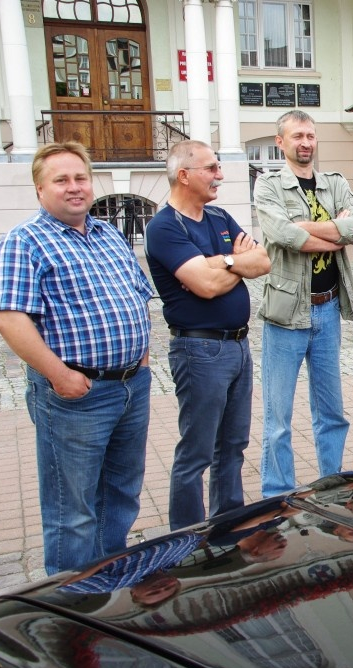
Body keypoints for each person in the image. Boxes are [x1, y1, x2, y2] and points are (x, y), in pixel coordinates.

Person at [0, 142, 154, 574]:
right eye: (61, 180)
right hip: (77, 395)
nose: (74, 188)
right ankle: (70, 608)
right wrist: (59, 376)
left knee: (121, 492)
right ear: (40, 189)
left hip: (132, 386)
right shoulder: (24, 242)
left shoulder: (108, 234)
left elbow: (138, 293)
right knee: (72, 508)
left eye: (80, 178)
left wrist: (143, 356)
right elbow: (8, 318)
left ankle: (107, 580)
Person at [145, 140, 270, 530]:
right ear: (184, 175)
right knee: (197, 452)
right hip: (198, 350)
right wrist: (236, 262)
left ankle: (226, 527)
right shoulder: (164, 227)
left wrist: (223, 262)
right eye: (211, 168)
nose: (220, 174)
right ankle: (186, 539)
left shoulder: (218, 217)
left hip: (238, 346)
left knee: (233, 446)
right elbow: (206, 286)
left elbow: (262, 260)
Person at [254, 110, 353, 496]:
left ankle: (330, 486)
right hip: (285, 315)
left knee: (331, 412)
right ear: (280, 142)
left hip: (328, 308)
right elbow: (282, 234)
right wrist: (334, 234)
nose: (306, 142)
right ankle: (276, 494)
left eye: (311, 136)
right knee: (278, 417)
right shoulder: (268, 186)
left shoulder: (334, 183)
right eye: (297, 135)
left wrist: (307, 229)